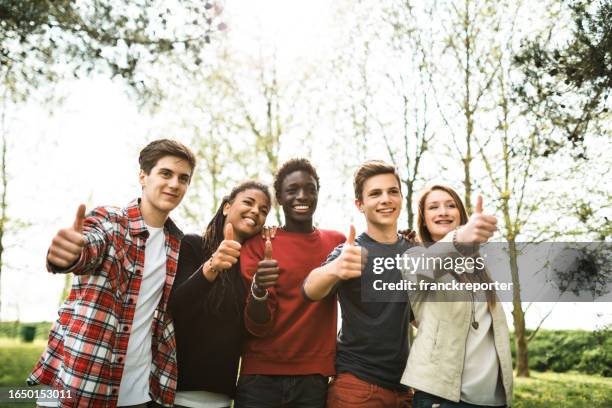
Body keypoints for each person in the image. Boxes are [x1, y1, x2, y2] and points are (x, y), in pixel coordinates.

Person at [27, 139, 196, 408]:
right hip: (81, 383)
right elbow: (88, 245)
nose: (175, 184)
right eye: (166, 173)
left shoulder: (176, 243)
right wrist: (67, 256)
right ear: (143, 176)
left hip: (140, 393)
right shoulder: (111, 221)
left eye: (183, 178)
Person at [235, 158, 345, 408]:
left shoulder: (335, 243)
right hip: (259, 380)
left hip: (312, 380)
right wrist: (259, 289)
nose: (302, 196)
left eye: (310, 189)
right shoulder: (258, 245)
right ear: (279, 198)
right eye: (292, 190)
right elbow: (257, 325)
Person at [304, 160, 414, 408]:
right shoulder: (350, 252)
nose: (385, 199)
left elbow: (420, 317)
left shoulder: (413, 253)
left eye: (392, 191)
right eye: (375, 194)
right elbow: (309, 289)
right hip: (358, 388)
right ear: (360, 205)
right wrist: (335, 269)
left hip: (405, 390)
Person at [400, 185, 513, 407]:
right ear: (423, 219)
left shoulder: (481, 264)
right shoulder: (414, 256)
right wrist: (460, 237)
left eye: (450, 205)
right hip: (442, 398)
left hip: (494, 399)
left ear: (460, 214)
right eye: (434, 207)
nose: (443, 211)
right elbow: (424, 268)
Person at [167, 181, 271, 408]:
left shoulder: (251, 265)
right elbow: (176, 306)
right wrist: (212, 266)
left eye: (264, 211)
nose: (256, 211)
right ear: (226, 207)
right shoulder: (192, 245)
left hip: (223, 399)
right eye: (249, 202)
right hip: (177, 396)